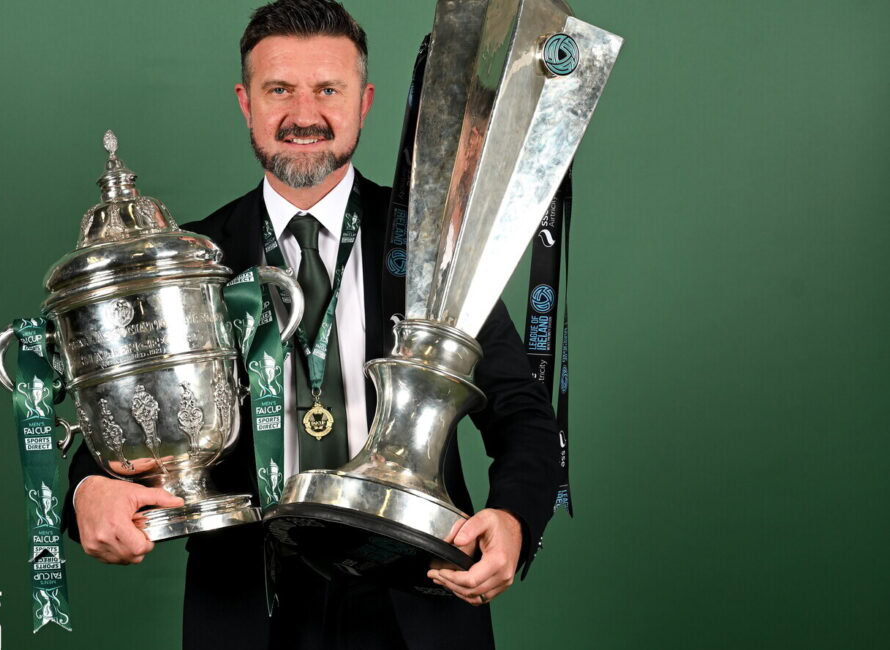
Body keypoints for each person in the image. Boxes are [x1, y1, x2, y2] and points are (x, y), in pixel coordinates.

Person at [61, 1, 561, 648]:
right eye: (279, 90)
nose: (304, 115)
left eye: (328, 89)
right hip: (246, 606)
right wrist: (86, 494)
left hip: (418, 597)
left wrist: (514, 520)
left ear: (365, 100)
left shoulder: (438, 243)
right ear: (245, 102)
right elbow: (122, 411)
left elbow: (520, 409)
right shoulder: (190, 257)